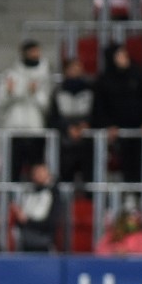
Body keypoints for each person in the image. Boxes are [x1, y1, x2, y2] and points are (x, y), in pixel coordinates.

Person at [92, 43, 142, 183]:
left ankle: (138, 194)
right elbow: (99, 107)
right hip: (116, 133)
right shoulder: (104, 80)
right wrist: (108, 125)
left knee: (140, 163)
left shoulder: (139, 75)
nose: (124, 57)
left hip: (139, 130)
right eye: (120, 55)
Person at [0, 40, 52, 183]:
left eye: (37, 51)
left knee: (36, 171)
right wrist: (9, 92)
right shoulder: (11, 75)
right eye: (32, 52)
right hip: (14, 131)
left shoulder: (45, 76)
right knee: (12, 171)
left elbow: (47, 105)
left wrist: (34, 93)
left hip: (36, 131)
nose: (35, 55)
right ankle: (11, 202)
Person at [48, 57, 94, 188]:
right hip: (65, 143)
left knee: (89, 180)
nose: (77, 71)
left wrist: (86, 125)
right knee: (64, 180)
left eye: (79, 68)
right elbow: (53, 117)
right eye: (73, 68)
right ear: (65, 71)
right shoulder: (58, 92)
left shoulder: (91, 90)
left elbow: (97, 112)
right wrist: (68, 128)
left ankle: (90, 203)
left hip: (86, 141)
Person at [12, 162, 59, 252]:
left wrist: (27, 221)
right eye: (36, 173)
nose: (38, 176)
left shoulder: (53, 193)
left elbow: (51, 221)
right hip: (25, 240)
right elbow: (21, 217)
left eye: (41, 172)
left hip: (43, 240)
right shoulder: (29, 192)